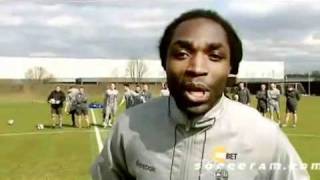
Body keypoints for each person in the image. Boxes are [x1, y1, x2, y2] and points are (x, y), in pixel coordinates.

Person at [92, 9, 309, 180]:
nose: (196, 67)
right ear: (164, 63)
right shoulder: (130, 125)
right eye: (182, 54)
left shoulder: (265, 136)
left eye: (214, 56)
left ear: (231, 70)